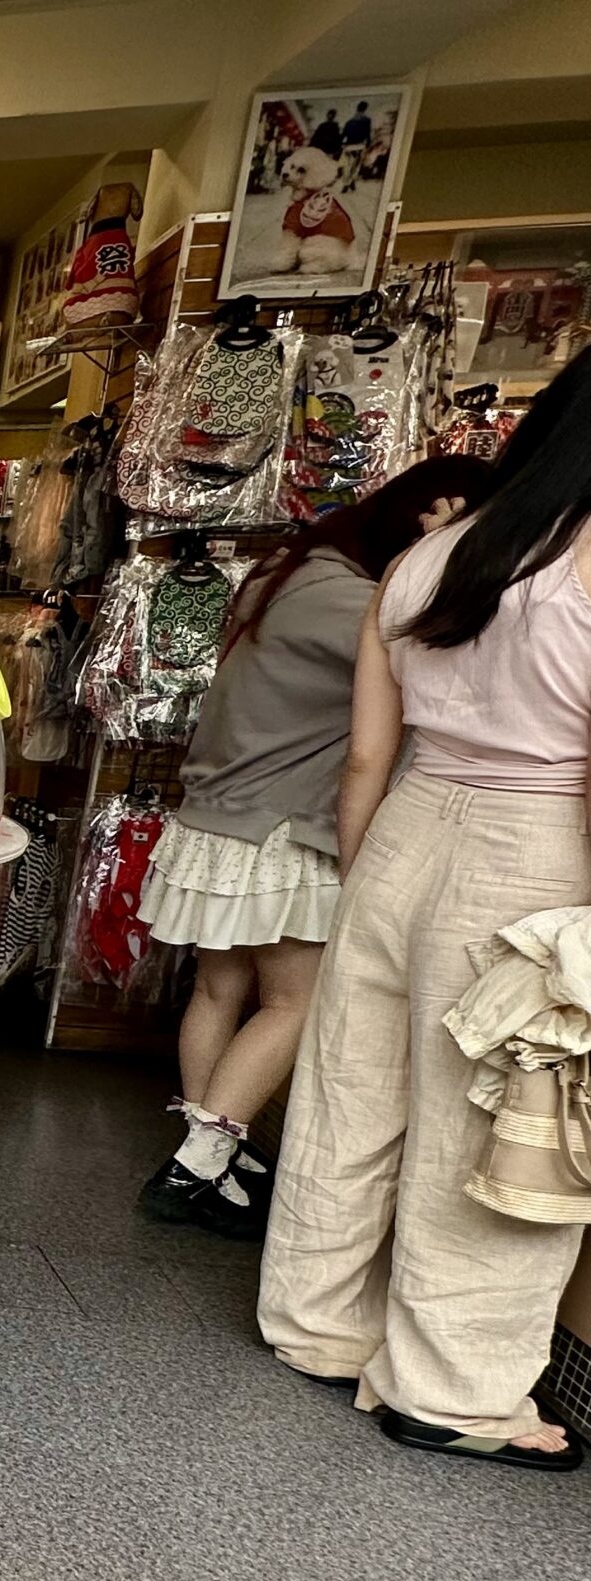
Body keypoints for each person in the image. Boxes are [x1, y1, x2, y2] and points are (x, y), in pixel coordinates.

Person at [260, 351, 591, 1471]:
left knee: (352, 1092)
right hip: (539, 852)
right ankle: (449, 1391)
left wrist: (372, 880)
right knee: (489, 1126)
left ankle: (313, 1325)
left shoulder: (429, 558)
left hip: (403, 830)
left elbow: (364, 756)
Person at [138, 456, 495, 1236]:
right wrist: (438, 561)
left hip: (213, 822)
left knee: (218, 995)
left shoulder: (286, 572)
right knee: (298, 1002)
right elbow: (460, 662)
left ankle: (212, 1161)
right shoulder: (353, 602)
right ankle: (195, 1168)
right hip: (280, 832)